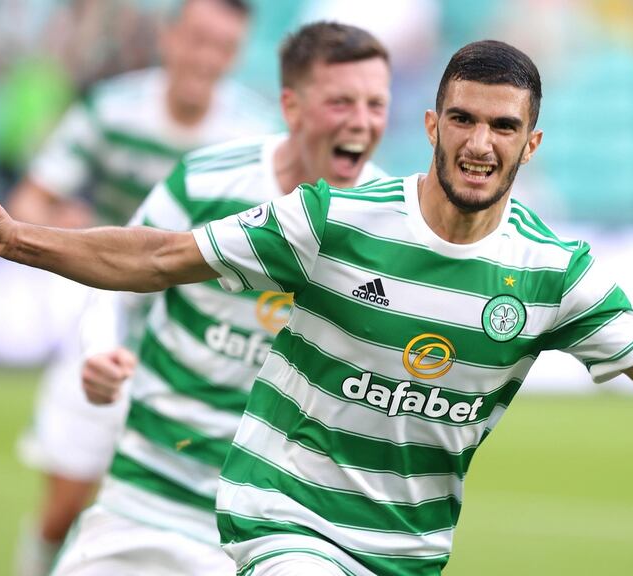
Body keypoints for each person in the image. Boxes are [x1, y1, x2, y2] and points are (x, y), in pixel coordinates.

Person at [0, 40, 633, 576]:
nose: (480, 142)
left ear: (532, 143)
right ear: (433, 124)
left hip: (404, 548)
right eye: (465, 119)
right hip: (279, 515)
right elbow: (163, 255)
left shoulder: (554, 273)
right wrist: (21, 238)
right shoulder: (334, 220)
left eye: (502, 126)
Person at [47, 22, 390, 576]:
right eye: (341, 101)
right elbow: (120, 285)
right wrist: (100, 350)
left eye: (376, 104)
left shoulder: (385, 224)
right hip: (149, 491)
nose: (361, 121)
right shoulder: (208, 182)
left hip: (275, 521)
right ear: (293, 107)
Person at [6, 1, 278, 574]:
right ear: (169, 37)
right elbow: (32, 201)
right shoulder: (113, 110)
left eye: (223, 47)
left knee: (189, 525)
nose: (206, 58)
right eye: (198, 39)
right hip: (105, 313)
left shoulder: (256, 138)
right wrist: (84, 234)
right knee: (63, 510)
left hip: (200, 340)